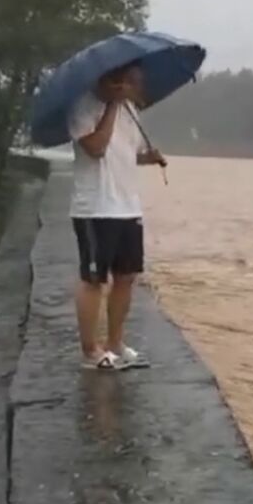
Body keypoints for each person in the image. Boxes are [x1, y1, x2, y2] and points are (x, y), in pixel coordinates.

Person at [68, 61, 167, 370]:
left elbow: (123, 153)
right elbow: (96, 148)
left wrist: (147, 158)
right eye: (129, 80)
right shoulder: (83, 106)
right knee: (94, 279)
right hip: (96, 207)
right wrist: (111, 105)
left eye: (136, 81)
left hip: (127, 207)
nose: (134, 87)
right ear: (113, 79)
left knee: (126, 277)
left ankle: (115, 343)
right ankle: (91, 352)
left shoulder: (131, 112)